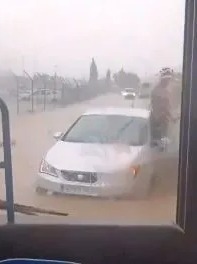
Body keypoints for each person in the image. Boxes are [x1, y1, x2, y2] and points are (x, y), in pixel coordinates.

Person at [150, 67, 175, 143]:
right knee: (157, 144)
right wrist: (169, 116)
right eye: (166, 79)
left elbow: (167, 107)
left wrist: (171, 117)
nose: (168, 81)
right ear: (162, 79)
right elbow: (159, 108)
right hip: (157, 122)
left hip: (164, 122)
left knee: (164, 144)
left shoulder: (167, 91)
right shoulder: (157, 91)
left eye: (169, 79)